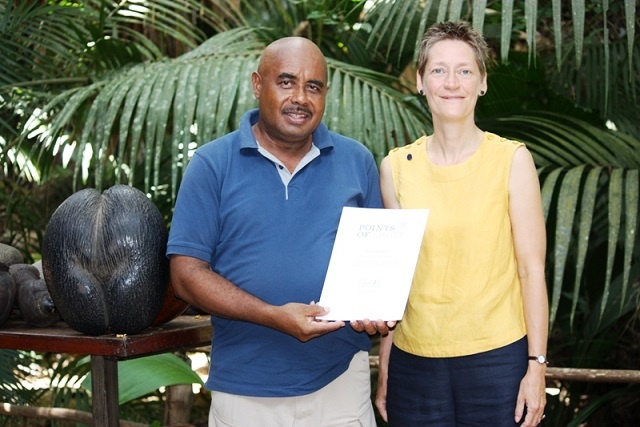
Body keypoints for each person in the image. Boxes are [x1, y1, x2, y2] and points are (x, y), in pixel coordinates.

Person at [167, 36, 385, 427]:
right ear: (257, 84)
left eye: (313, 86)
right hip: (245, 391)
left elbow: (378, 269)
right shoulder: (211, 164)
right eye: (286, 82)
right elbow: (186, 275)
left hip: (339, 385)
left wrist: (377, 310)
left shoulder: (357, 161)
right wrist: (273, 316)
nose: (300, 97)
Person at [375, 21, 549, 427]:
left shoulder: (512, 160)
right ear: (420, 81)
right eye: (438, 70)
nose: (451, 82)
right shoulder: (396, 167)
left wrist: (536, 366)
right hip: (413, 364)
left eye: (465, 70)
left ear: (482, 82)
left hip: (498, 359)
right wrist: (386, 369)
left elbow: (531, 269)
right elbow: (393, 282)